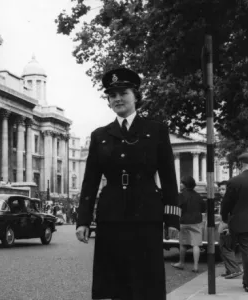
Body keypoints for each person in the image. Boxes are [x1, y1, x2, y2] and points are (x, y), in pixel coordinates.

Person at [75, 67, 180, 300]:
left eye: (123, 93)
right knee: (115, 279)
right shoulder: (100, 135)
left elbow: (168, 176)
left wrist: (172, 217)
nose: (118, 99)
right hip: (111, 214)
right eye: (112, 95)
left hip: (146, 212)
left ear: (136, 96)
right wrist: (83, 220)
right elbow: (90, 180)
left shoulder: (156, 130)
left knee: (147, 279)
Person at [221, 152, 248, 293]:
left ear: (240, 164)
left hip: (242, 223)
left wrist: (224, 218)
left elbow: (227, 204)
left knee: (247, 252)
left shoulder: (234, 181)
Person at [171, 176, 206, 273]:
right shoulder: (198, 196)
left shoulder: (181, 195)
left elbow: (177, 207)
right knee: (196, 244)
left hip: (184, 221)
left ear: (185, 184)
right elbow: (203, 208)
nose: (180, 184)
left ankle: (181, 263)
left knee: (182, 243)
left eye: (182, 183)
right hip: (196, 222)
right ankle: (195, 266)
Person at [217, 180, 243, 279]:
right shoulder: (225, 201)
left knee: (226, 249)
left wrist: (228, 227)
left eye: (223, 189)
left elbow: (231, 215)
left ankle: (235, 270)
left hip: (227, 227)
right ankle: (229, 270)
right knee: (224, 249)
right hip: (224, 227)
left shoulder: (229, 202)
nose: (221, 191)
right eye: (219, 189)